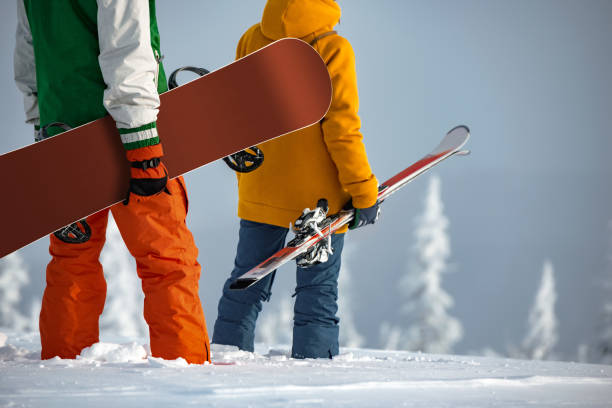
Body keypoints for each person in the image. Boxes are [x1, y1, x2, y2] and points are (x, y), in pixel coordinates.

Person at [14, 0, 210, 364]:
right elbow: (127, 45)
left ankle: (61, 368)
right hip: (127, 136)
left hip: (63, 133)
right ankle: (186, 372)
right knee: (167, 259)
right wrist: (142, 139)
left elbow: (29, 54)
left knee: (72, 259)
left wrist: (42, 123)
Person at [212, 0, 379, 359]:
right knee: (317, 293)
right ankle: (314, 376)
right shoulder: (333, 48)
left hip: (261, 186)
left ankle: (224, 358)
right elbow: (342, 129)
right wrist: (363, 192)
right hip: (319, 202)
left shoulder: (252, 39)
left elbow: (238, 111)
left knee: (246, 282)